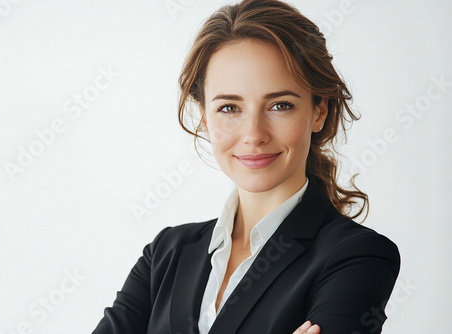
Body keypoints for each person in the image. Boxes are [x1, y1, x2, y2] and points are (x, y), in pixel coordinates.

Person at [92, 0, 400, 333]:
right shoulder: (165, 254)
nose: (254, 135)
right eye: (229, 108)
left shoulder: (358, 257)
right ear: (204, 115)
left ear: (319, 111)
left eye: (280, 105)